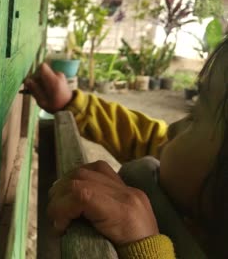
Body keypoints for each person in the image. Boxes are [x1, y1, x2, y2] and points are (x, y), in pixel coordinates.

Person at [23, 38, 228, 258]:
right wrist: (72, 103)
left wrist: (146, 250)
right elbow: (145, 136)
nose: (171, 130)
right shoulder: (188, 171)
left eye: (194, 117)